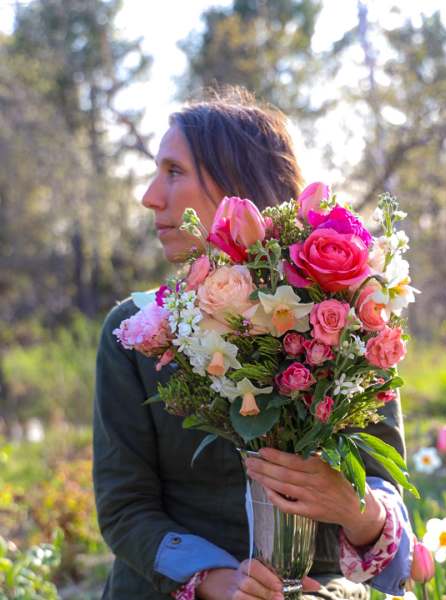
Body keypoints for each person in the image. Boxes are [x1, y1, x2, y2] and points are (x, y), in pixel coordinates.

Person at [93, 86, 413, 600]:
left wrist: (356, 508)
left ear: (237, 183)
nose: (151, 196)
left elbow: (386, 498)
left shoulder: (349, 317)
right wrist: (217, 581)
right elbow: (125, 509)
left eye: (174, 171)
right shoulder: (136, 333)